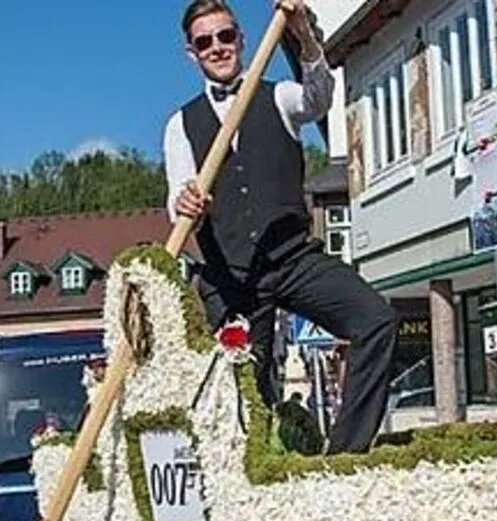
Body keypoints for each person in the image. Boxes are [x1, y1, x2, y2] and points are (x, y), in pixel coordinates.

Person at [164, 0, 397, 453]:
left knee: (376, 319)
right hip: (232, 277)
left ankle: (345, 454)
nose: (218, 47)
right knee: (242, 388)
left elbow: (319, 97)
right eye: (205, 41)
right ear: (191, 53)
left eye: (226, 36)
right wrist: (186, 200)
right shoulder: (179, 125)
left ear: (241, 39)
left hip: (294, 259)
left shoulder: (278, 97)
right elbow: (178, 202)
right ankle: (259, 473)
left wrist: (303, 35)